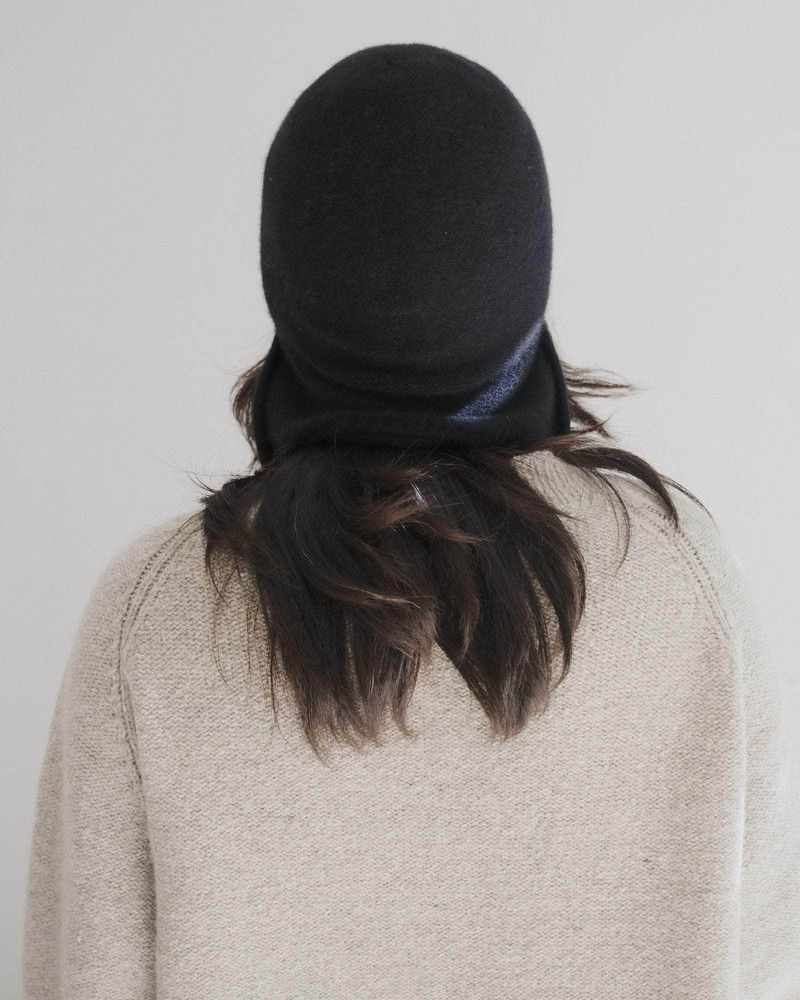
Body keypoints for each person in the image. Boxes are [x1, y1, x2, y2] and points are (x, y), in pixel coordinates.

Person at [22, 42, 800, 999]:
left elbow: (86, 976)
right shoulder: (680, 584)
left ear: (284, 270)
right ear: (528, 263)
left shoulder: (155, 615)